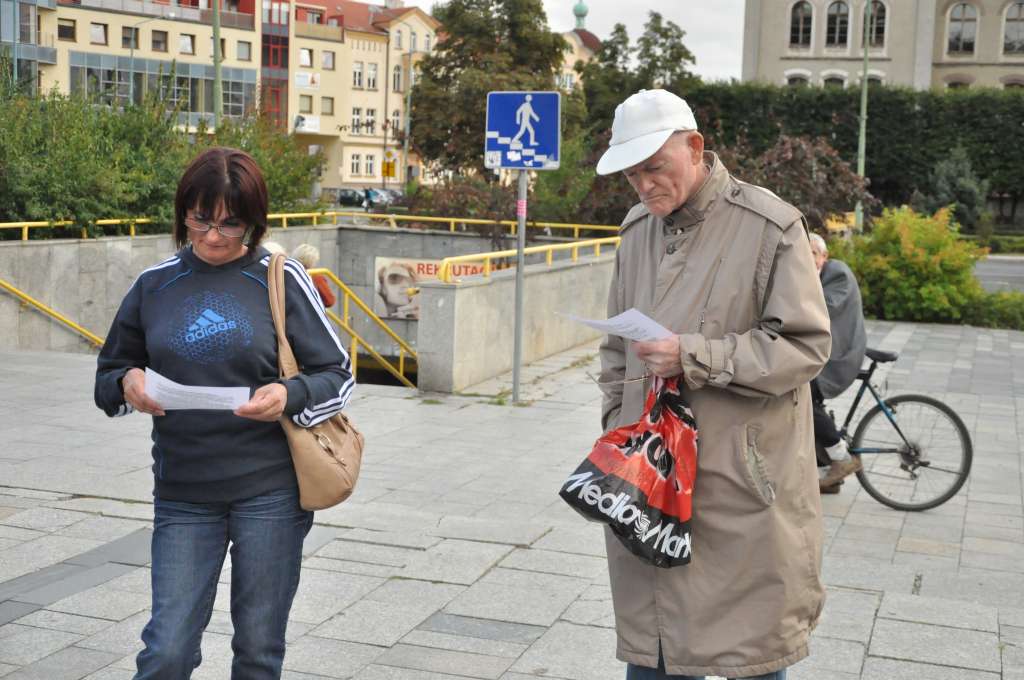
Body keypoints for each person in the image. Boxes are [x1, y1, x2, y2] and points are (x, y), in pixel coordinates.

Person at [595, 89, 832, 680]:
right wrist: (618, 433)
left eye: (656, 166)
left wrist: (692, 355)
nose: (644, 185)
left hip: (742, 486)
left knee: (753, 653)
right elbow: (614, 353)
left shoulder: (770, 226)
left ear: (695, 148)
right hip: (653, 483)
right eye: (632, 173)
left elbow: (806, 347)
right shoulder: (637, 232)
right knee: (655, 651)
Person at [94, 147, 355, 680]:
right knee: (166, 651)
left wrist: (289, 396)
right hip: (183, 493)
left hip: (271, 493)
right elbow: (107, 378)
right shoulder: (154, 284)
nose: (213, 237)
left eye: (231, 224)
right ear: (182, 214)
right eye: (200, 220)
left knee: (258, 651)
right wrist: (128, 382)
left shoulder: (281, 278)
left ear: (254, 222)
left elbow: (339, 373)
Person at [808, 233, 867, 492]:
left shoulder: (837, 273)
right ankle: (828, 478)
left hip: (840, 357)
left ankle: (841, 457)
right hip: (826, 351)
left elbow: (824, 307)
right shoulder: (813, 276)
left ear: (824, 256)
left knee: (804, 393)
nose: (807, 258)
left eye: (812, 254)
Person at [293, 243, 336, 308]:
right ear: (313, 260)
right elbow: (329, 301)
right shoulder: (315, 276)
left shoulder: (290, 273)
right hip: (309, 315)